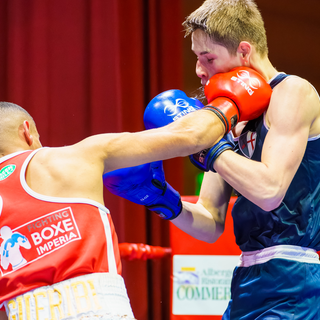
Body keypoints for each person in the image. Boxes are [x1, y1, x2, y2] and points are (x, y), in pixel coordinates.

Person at [104, 0, 320, 319]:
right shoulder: (230, 116)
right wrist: (161, 198)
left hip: (294, 284)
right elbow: (210, 223)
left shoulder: (293, 92)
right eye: (196, 58)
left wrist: (211, 147)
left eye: (208, 57)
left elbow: (270, 190)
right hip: (245, 282)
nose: (199, 69)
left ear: (244, 52)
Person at [0, 84, 269, 320]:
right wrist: (231, 100)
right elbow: (191, 136)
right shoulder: (73, 157)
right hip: (95, 306)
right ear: (27, 132)